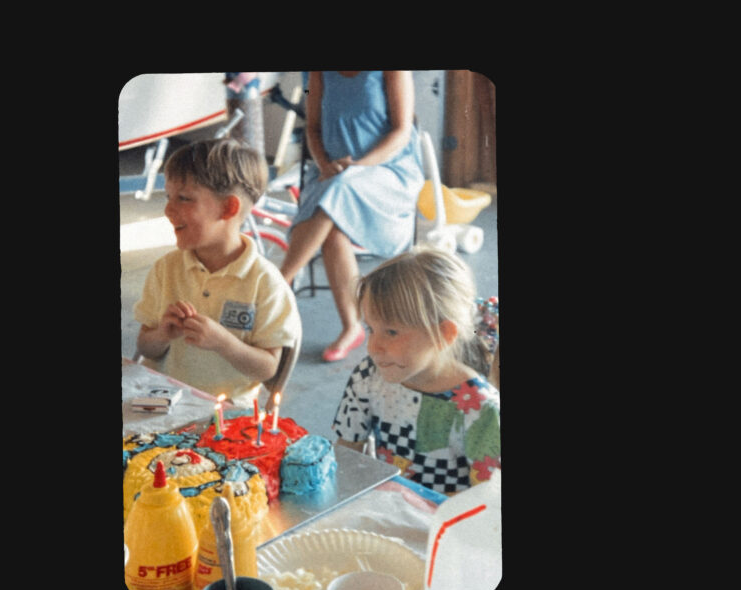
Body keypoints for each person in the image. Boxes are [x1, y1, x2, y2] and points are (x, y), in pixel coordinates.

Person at [134, 138, 301, 404]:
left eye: (184, 198)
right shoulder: (166, 268)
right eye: (168, 197)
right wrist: (162, 334)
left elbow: (269, 369)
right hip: (162, 400)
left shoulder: (265, 282)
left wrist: (224, 343)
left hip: (227, 411)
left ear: (228, 208)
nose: (168, 209)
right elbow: (145, 348)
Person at [278, 71, 425, 362]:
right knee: (332, 224)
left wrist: (357, 167)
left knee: (337, 193)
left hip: (388, 172)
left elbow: (401, 133)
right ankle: (351, 327)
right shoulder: (320, 73)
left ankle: (278, 284)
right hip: (332, 174)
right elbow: (313, 130)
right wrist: (324, 164)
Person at [332, 247, 500, 495]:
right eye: (371, 329)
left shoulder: (481, 408)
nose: (373, 347)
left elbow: (488, 499)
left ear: (443, 335)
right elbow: (346, 454)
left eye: (391, 332)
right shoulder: (367, 376)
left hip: (450, 518)